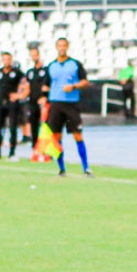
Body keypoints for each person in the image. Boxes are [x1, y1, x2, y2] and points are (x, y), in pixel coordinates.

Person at [46, 37, 92, 176]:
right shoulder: (51, 65)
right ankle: (61, 168)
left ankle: (86, 167)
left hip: (71, 104)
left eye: (64, 45)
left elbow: (85, 82)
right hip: (55, 103)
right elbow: (46, 84)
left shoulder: (75, 64)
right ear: (56, 47)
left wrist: (73, 86)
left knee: (77, 135)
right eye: (59, 45)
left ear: (67, 47)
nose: (62, 48)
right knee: (56, 136)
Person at [0, 51, 24, 160]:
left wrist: (19, 95)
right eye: (4, 59)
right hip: (1, 103)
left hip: (12, 103)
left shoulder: (17, 72)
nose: (6, 61)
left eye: (8, 59)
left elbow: (25, 84)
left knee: (12, 128)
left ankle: (12, 153)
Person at [21, 46, 50, 148]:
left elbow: (49, 86)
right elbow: (28, 87)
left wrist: (45, 97)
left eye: (35, 55)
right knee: (33, 125)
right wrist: (21, 96)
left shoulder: (47, 70)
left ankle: (47, 149)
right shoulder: (30, 72)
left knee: (46, 125)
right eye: (32, 55)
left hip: (44, 102)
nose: (34, 57)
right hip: (32, 101)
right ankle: (35, 148)